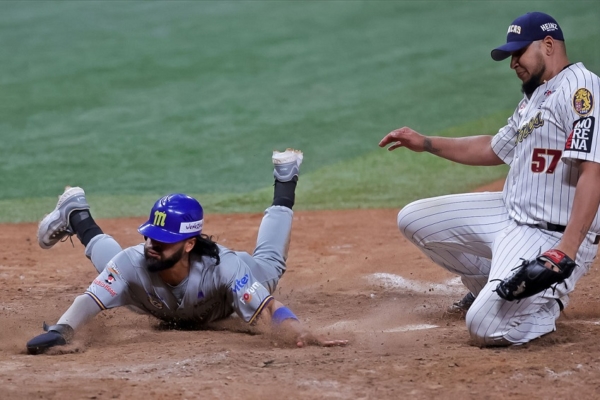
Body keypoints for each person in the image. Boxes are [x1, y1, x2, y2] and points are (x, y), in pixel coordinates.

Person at [379, 12, 600, 346]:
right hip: (509, 216)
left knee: (482, 327)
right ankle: (492, 287)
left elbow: (593, 172)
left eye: (518, 53)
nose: (513, 63)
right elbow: (493, 148)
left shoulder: (580, 90)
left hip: (550, 234)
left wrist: (565, 251)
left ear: (549, 45)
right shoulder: (536, 97)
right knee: (413, 219)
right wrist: (424, 143)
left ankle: (544, 304)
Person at [27, 149, 348, 354]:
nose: (152, 247)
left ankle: (285, 181)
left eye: (164, 242)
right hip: (154, 301)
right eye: (151, 237)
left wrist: (298, 331)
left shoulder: (225, 269)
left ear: (189, 244)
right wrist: (61, 331)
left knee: (270, 268)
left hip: (228, 292)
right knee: (116, 264)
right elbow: (88, 300)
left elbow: (269, 308)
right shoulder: (135, 261)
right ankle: (76, 214)